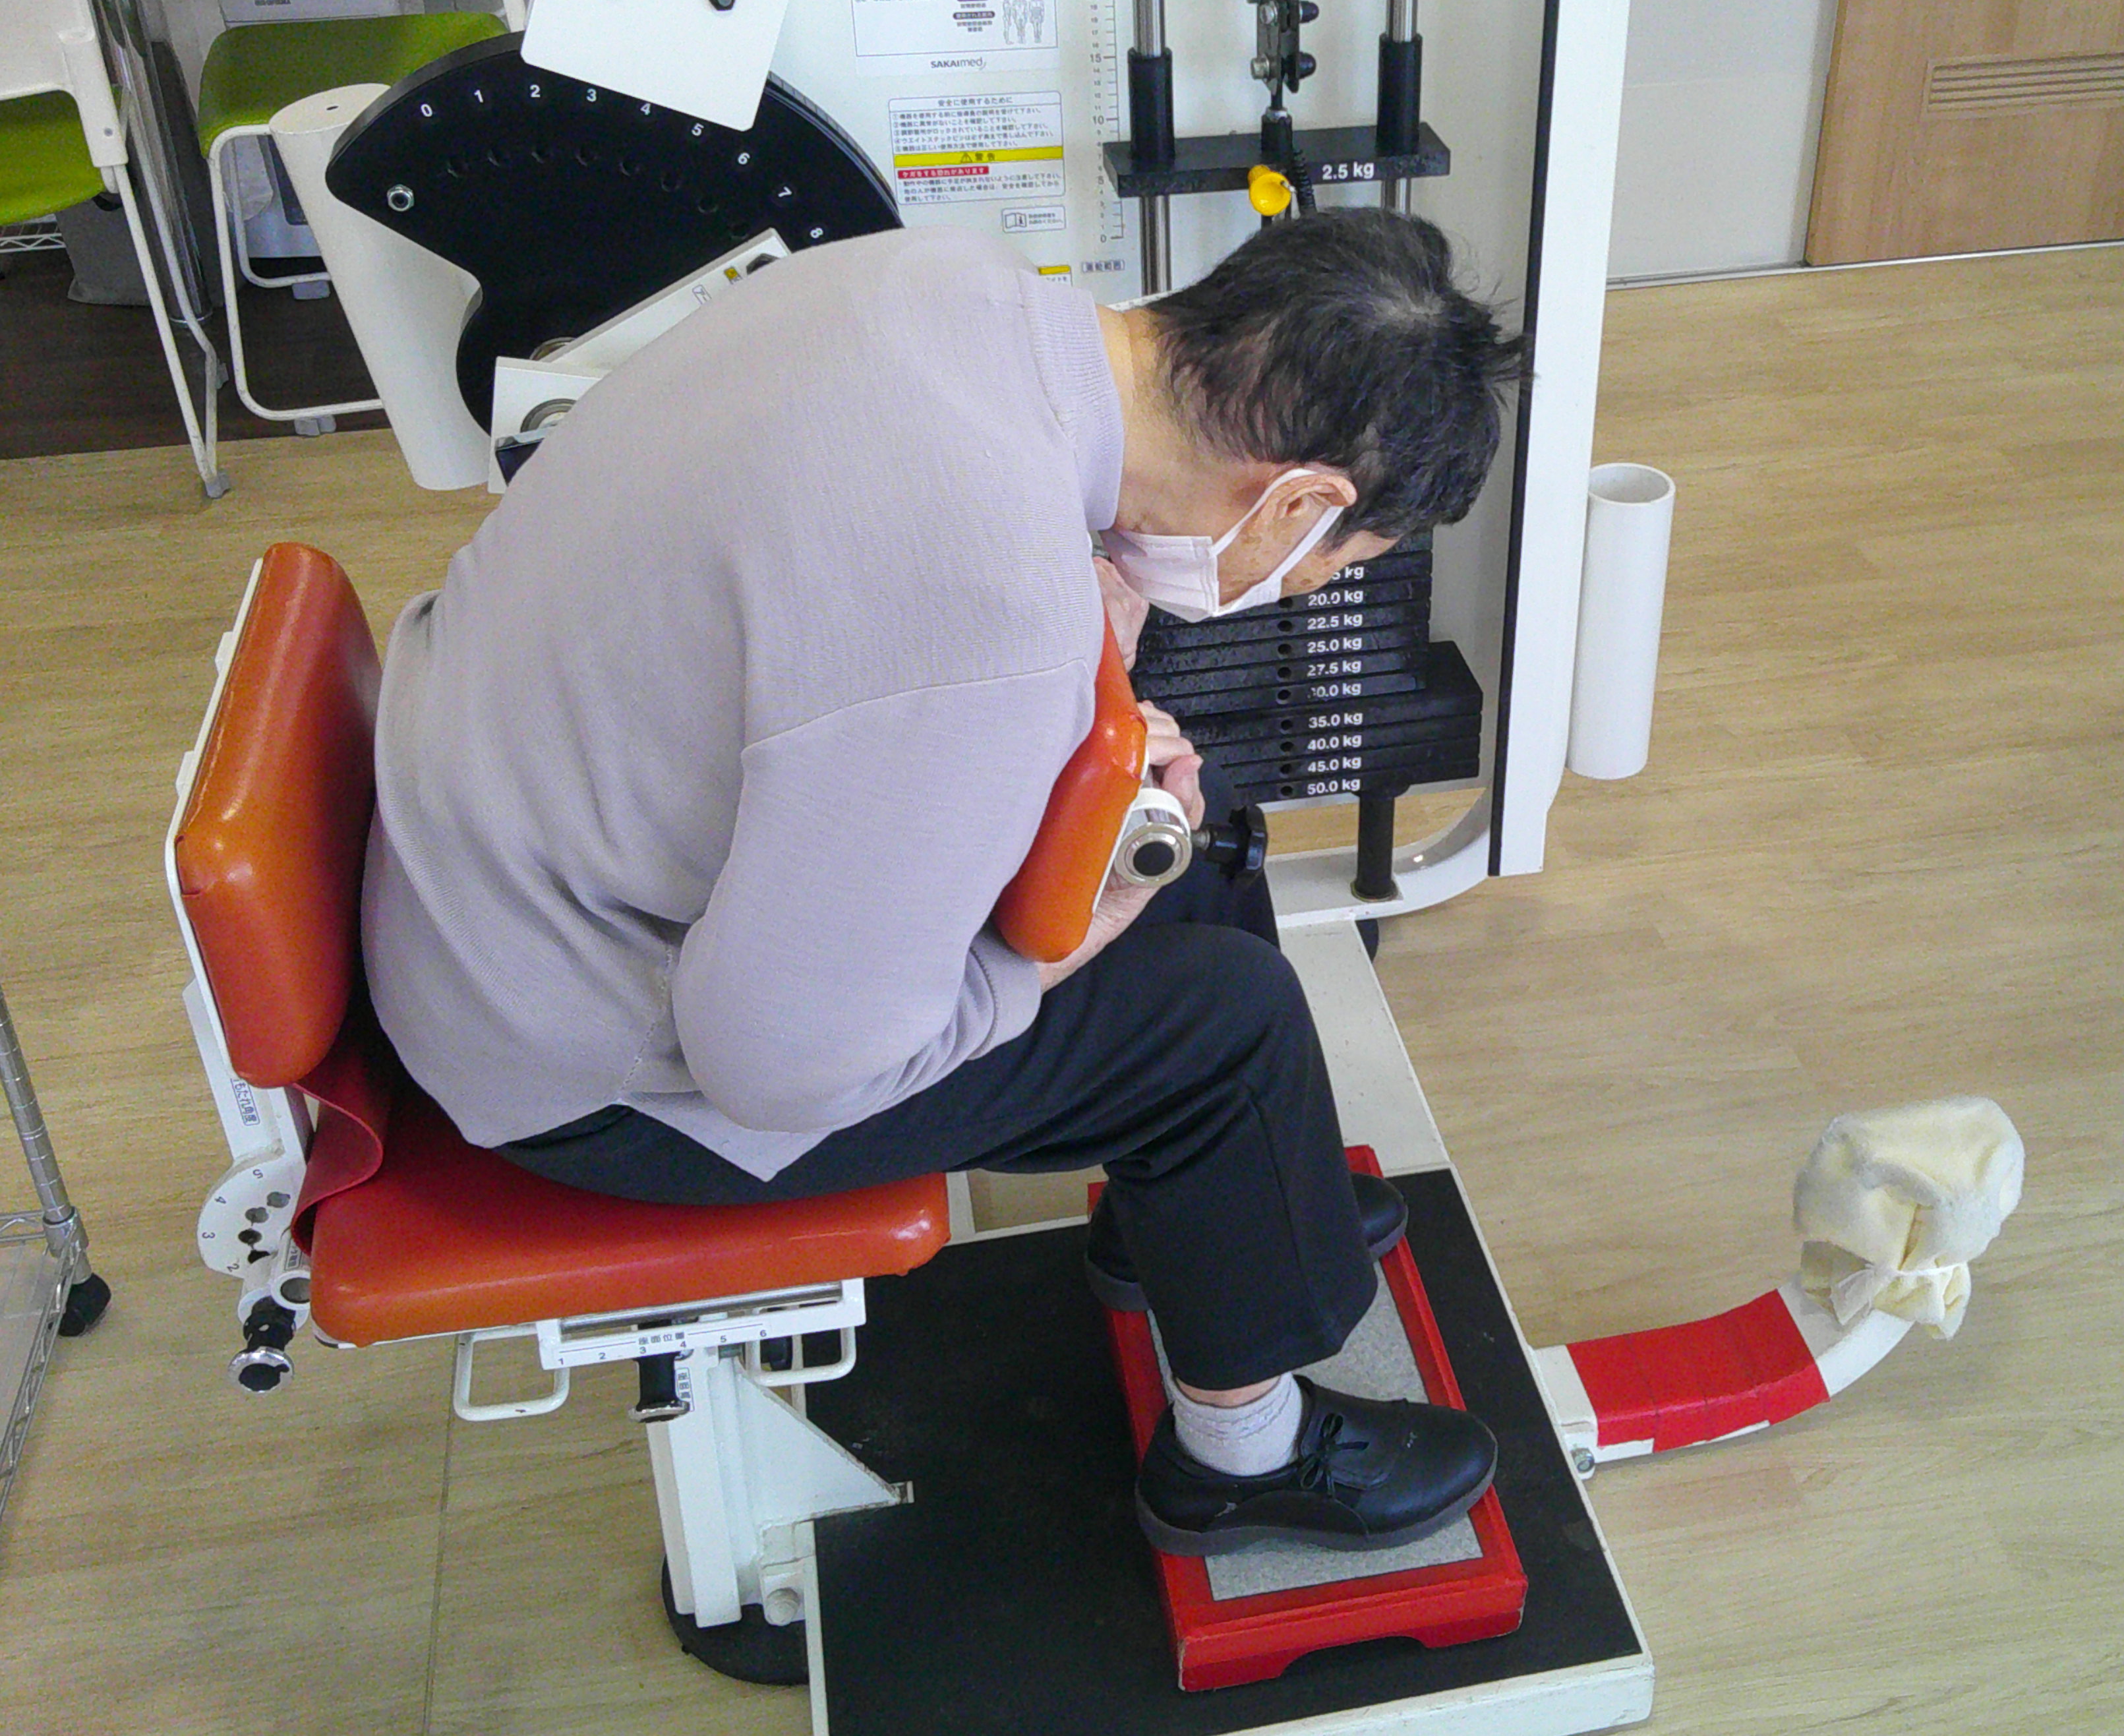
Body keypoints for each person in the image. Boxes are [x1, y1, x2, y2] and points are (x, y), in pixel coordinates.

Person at [361, 208, 1526, 1556]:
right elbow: (780, 1071)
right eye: (1332, 563)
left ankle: (1212, 1221)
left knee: (1195, 843)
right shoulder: (987, 603)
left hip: (486, 855)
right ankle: (1240, 1457)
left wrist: (1069, 710)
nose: (1307, 584)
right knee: (1224, 1027)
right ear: (1300, 502)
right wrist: (1065, 938)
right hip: (572, 1059)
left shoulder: (937, 279)